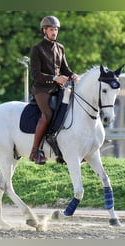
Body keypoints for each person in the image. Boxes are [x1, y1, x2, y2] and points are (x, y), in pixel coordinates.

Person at [29, 15, 78, 165]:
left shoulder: (60, 47)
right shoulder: (37, 49)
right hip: (41, 89)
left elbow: (65, 69)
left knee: (70, 110)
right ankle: (35, 151)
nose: (54, 32)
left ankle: (63, 148)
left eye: (56, 29)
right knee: (47, 114)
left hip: (57, 88)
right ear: (44, 30)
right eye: (51, 29)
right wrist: (55, 78)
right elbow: (36, 75)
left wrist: (73, 75)